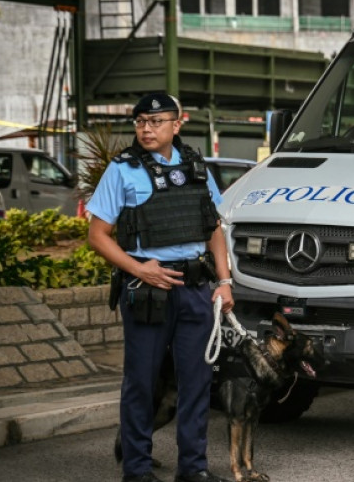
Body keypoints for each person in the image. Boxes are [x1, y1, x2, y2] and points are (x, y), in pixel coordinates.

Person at [87, 92, 234, 482]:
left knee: (197, 382)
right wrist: (140, 268)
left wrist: (224, 281)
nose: (146, 129)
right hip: (147, 289)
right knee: (142, 382)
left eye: (155, 122)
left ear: (177, 124)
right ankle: (136, 472)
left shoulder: (197, 166)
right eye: (140, 122)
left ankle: (194, 469)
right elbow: (98, 235)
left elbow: (213, 228)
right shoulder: (122, 169)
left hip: (195, 286)